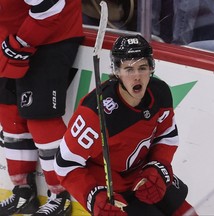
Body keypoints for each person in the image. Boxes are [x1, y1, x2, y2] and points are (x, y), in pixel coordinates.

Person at [54, 34, 198, 216]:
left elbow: (167, 136)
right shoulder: (95, 113)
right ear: (117, 72)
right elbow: (64, 163)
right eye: (129, 69)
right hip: (114, 189)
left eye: (142, 68)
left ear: (151, 68)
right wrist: (94, 198)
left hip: (145, 175)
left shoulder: (160, 92)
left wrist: (157, 167)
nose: (137, 76)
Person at [0, 0, 83, 215]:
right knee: (10, 113)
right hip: (11, 37)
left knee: (41, 118)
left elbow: (51, 6)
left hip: (52, 36)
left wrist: (21, 41)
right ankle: (23, 192)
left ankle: (60, 195)